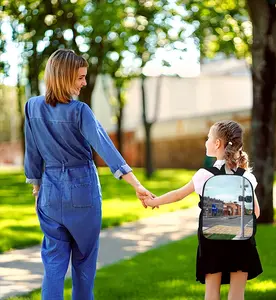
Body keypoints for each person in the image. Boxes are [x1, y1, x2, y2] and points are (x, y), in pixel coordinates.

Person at [24, 49, 153, 300]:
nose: (84, 83)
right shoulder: (79, 110)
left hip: (49, 193)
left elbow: (32, 153)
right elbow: (106, 148)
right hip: (82, 190)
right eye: (80, 77)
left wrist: (37, 188)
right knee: (84, 264)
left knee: (53, 265)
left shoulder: (32, 107)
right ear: (64, 77)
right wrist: (136, 184)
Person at [144, 120, 263, 300]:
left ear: (217, 144)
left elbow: (178, 195)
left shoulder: (205, 175)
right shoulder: (246, 176)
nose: (206, 142)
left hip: (212, 242)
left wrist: (154, 202)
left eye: (208, 138)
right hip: (241, 241)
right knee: (237, 295)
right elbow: (256, 212)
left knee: (211, 294)